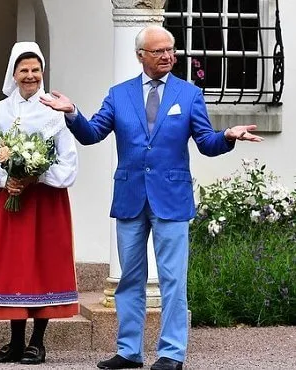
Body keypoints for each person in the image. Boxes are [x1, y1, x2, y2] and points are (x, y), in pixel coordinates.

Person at [41, 25, 263, 370]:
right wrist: (71, 113)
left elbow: (206, 142)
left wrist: (228, 136)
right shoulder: (119, 94)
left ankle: (172, 353)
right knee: (130, 278)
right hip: (130, 196)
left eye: (170, 50)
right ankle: (129, 351)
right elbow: (92, 134)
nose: (167, 57)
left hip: (171, 198)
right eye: (158, 51)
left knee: (173, 278)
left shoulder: (189, 95)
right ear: (140, 56)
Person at [0, 42, 79, 365]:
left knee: (43, 265)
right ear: (14, 74)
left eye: (35, 70)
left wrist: (38, 176)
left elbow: (69, 162)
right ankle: (15, 342)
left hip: (45, 202)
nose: (30, 76)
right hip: (11, 200)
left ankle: (37, 341)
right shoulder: (0, 112)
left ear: (41, 73)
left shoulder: (54, 111)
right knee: (14, 268)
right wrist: (7, 179)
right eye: (24, 70)